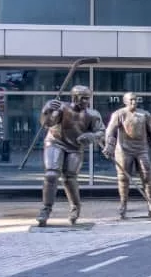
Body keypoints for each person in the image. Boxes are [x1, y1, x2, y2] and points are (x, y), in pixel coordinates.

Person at [35, 85, 105, 226]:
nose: (86, 101)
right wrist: (46, 110)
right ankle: (46, 209)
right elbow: (47, 123)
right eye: (83, 98)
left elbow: (101, 132)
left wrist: (91, 135)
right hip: (55, 142)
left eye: (88, 98)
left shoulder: (92, 114)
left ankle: (75, 207)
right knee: (51, 174)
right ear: (75, 97)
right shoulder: (61, 108)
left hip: (75, 147)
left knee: (70, 177)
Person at [103, 92, 151, 219]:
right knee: (123, 178)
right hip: (124, 149)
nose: (134, 102)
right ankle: (123, 205)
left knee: (147, 176)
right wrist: (109, 146)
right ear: (125, 101)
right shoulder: (119, 114)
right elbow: (110, 132)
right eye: (131, 100)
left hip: (142, 149)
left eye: (135, 100)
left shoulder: (145, 114)